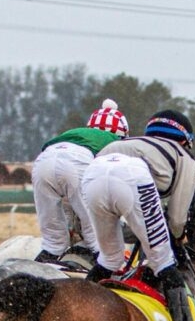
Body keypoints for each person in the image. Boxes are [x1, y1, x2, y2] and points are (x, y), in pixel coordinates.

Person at [80, 111, 195, 321]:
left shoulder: (129, 143)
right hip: (132, 177)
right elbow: (177, 218)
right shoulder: (184, 156)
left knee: (110, 258)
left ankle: (82, 309)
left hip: (92, 174)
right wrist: (177, 240)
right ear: (185, 140)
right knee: (164, 262)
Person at [32, 99, 129, 267]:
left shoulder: (78, 132)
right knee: (98, 238)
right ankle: (106, 277)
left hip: (43, 162)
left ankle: (33, 273)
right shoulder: (116, 142)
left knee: (53, 242)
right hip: (78, 163)